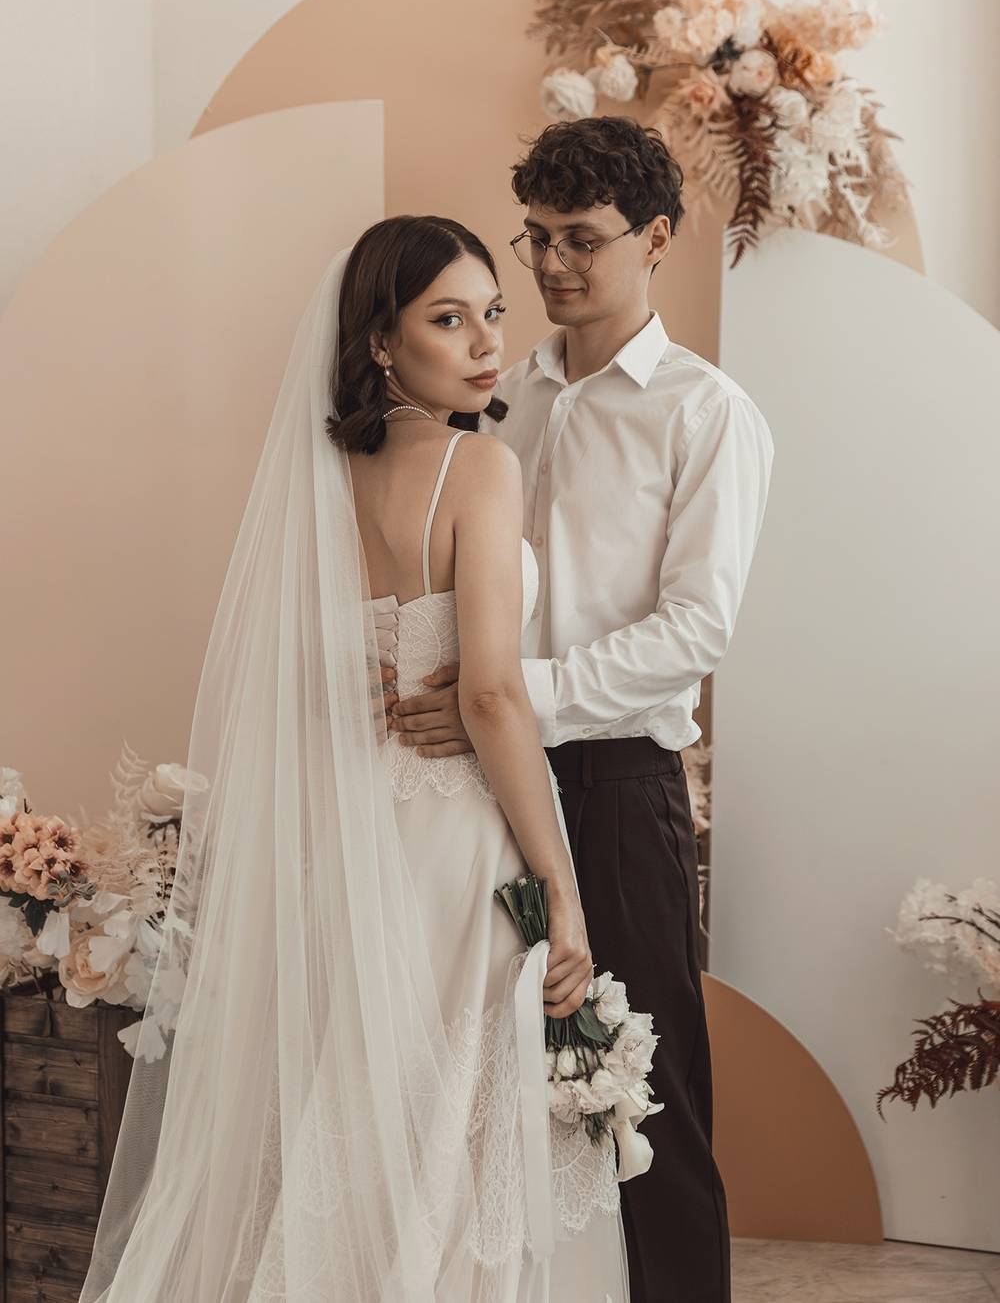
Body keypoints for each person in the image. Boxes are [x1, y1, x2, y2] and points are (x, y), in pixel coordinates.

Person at [77, 215, 633, 1302]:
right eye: (447, 319)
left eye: (492, 313)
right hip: (453, 844)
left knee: (347, 1121)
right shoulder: (477, 467)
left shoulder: (318, 480)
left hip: (345, 838)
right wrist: (560, 889)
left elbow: (308, 676)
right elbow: (489, 693)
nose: (485, 342)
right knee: (444, 1143)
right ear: (380, 341)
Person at [385, 117, 776, 1303]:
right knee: (499, 1093)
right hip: (475, 788)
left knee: (640, 1101)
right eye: (537, 238)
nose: (553, 265)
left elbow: (695, 632)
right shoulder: (496, 396)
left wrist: (519, 701)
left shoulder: (705, 412)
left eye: (582, 240)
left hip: (613, 784)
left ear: (654, 239)